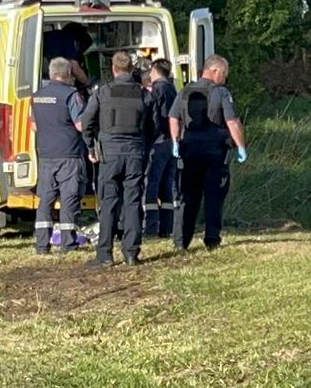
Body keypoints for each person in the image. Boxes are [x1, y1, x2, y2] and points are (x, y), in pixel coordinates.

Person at [81, 51, 157, 267]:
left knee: (108, 203)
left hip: (109, 155)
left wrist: (90, 145)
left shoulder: (103, 93)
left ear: (113, 69)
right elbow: (154, 125)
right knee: (133, 201)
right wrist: (144, 146)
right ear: (132, 69)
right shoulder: (144, 94)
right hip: (135, 153)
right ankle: (131, 253)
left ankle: (104, 254)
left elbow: (87, 120)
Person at [169, 54, 247, 250]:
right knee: (214, 196)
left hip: (190, 151)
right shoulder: (221, 93)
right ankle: (212, 239)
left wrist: (175, 141)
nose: (225, 78)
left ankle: (181, 241)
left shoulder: (185, 91)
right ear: (215, 71)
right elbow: (232, 122)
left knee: (188, 197)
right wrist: (241, 147)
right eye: (224, 74)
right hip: (214, 153)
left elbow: (173, 117)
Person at [31, 57, 86, 254]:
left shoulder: (37, 96)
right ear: (69, 73)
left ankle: (41, 245)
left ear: (51, 73)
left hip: (46, 154)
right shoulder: (71, 95)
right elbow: (80, 124)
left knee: (45, 199)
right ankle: (67, 243)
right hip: (69, 154)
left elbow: (34, 126)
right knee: (69, 197)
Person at [144, 58, 178, 237]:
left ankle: (150, 228)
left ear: (155, 70)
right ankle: (167, 227)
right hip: (172, 142)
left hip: (158, 142)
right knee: (167, 185)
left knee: (151, 183)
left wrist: (148, 137)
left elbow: (154, 117)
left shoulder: (158, 89)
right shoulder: (173, 88)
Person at [42, 23, 92, 88]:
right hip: (46, 77)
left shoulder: (54, 36)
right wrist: (88, 83)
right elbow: (75, 69)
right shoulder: (69, 40)